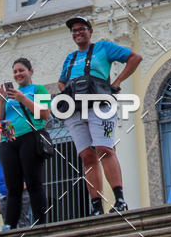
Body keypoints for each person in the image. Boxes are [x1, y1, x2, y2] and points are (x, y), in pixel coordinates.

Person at [58, 16, 142, 215]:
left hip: (100, 104)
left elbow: (135, 58)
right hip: (75, 109)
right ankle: (96, 205)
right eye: (74, 30)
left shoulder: (103, 47)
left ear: (90, 30)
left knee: (104, 148)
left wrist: (116, 83)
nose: (78, 32)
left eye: (82, 29)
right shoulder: (70, 58)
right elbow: (62, 81)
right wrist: (66, 92)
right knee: (87, 155)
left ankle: (119, 199)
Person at [0, 58, 51, 228]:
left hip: (30, 137)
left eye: (21, 70)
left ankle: (41, 223)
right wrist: (2, 101)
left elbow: (44, 113)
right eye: (15, 72)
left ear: (30, 71)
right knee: (13, 187)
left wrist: (22, 98)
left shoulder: (37, 89)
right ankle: (11, 224)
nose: (18, 74)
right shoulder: (10, 96)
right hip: (9, 141)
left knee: (34, 183)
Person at [0, 157, 32, 230]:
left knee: (22, 221)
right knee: (8, 224)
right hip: (3, 194)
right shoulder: (0, 158)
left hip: (19, 192)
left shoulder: (17, 153)